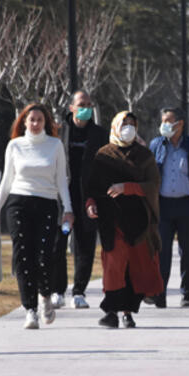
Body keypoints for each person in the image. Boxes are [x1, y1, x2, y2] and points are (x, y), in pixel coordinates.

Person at [0, 103, 74, 329]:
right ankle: (30, 309)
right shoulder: (15, 146)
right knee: (23, 256)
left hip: (46, 204)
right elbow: (6, 180)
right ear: (24, 122)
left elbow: (61, 181)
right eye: (31, 120)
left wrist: (68, 209)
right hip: (18, 202)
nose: (35, 124)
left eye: (39, 119)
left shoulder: (55, 145)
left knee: (44, 256)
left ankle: (45, 295)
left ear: (46, 122)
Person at [85, 111, 164, 328]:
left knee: (134, 267)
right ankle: (111, 311)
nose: (128, 128)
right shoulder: (104, 155)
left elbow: (154, 185)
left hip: (138, 222)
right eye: (124, 124)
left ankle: (128, 312)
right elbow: (92, 185)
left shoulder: (144, 155)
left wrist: (127, 188)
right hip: (111, 221)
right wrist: (90, 203)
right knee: (113, 265)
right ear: (115, 126)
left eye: (132, 124)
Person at [50, 90, 108, 310]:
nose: (86, 108)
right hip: (61, 198)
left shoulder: (99, 134)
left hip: (87, 198)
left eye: (89, 104)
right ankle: (58, 290)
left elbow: (103, 167)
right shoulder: (58, 132)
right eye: (81, 104)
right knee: (58, 244)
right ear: (72, 107)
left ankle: (79, 291)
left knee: (85, 246)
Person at [148, 107, 189, 308]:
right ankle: (159, 292)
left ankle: (187, 293)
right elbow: (149, 175)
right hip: (163, 206)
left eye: (169, 120)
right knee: (162, 251)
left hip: (187, 205)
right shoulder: (156, 145)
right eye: (163, 120)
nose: (164, 124)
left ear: (180, 123)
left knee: (188, 252)